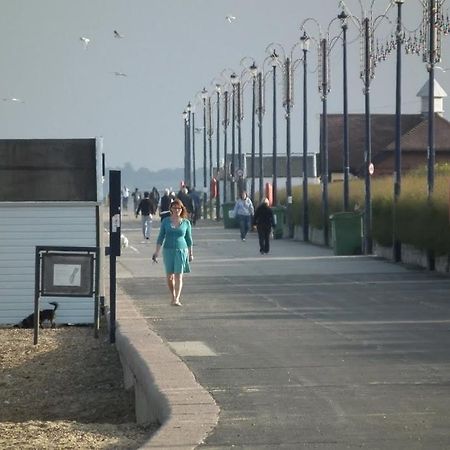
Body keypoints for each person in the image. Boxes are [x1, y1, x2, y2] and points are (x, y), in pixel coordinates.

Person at [152, 199, 193, 306]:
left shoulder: (186, 222)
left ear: (181, 209)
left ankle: (177, 299)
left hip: (181, 250)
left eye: (179, 208)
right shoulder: (166, 221)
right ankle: (173, 295)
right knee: (170, 276)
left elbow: (189, 239)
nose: (176, 210)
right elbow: (161, 237)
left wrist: (191, 253)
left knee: (179, 275)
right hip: (168, 250)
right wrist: (156, 252)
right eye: (174, 208)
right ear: (171, 209)